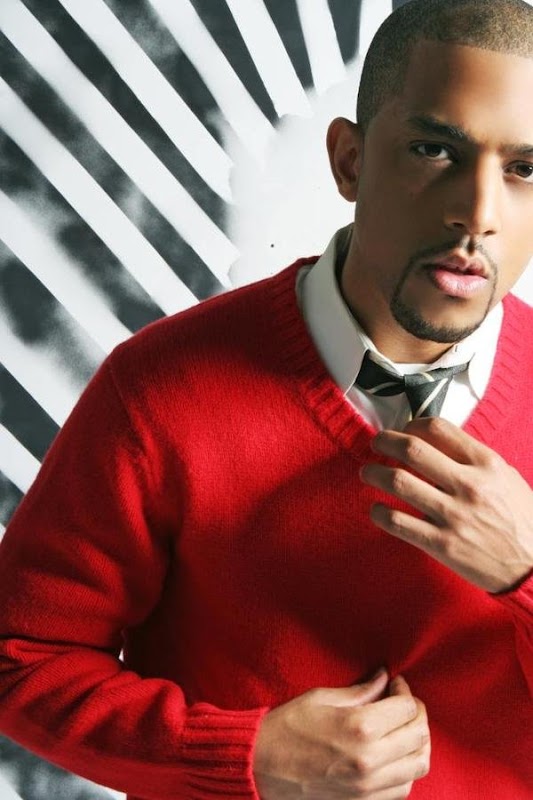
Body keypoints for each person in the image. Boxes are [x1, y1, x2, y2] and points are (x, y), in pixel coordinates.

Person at [0, 0, 532, 797]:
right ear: (348, 161)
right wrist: (242, 756)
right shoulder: (159, 389)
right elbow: (20, 658)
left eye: (525, 169)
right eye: (433, 150)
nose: (477, 215)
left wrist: (526, 570)